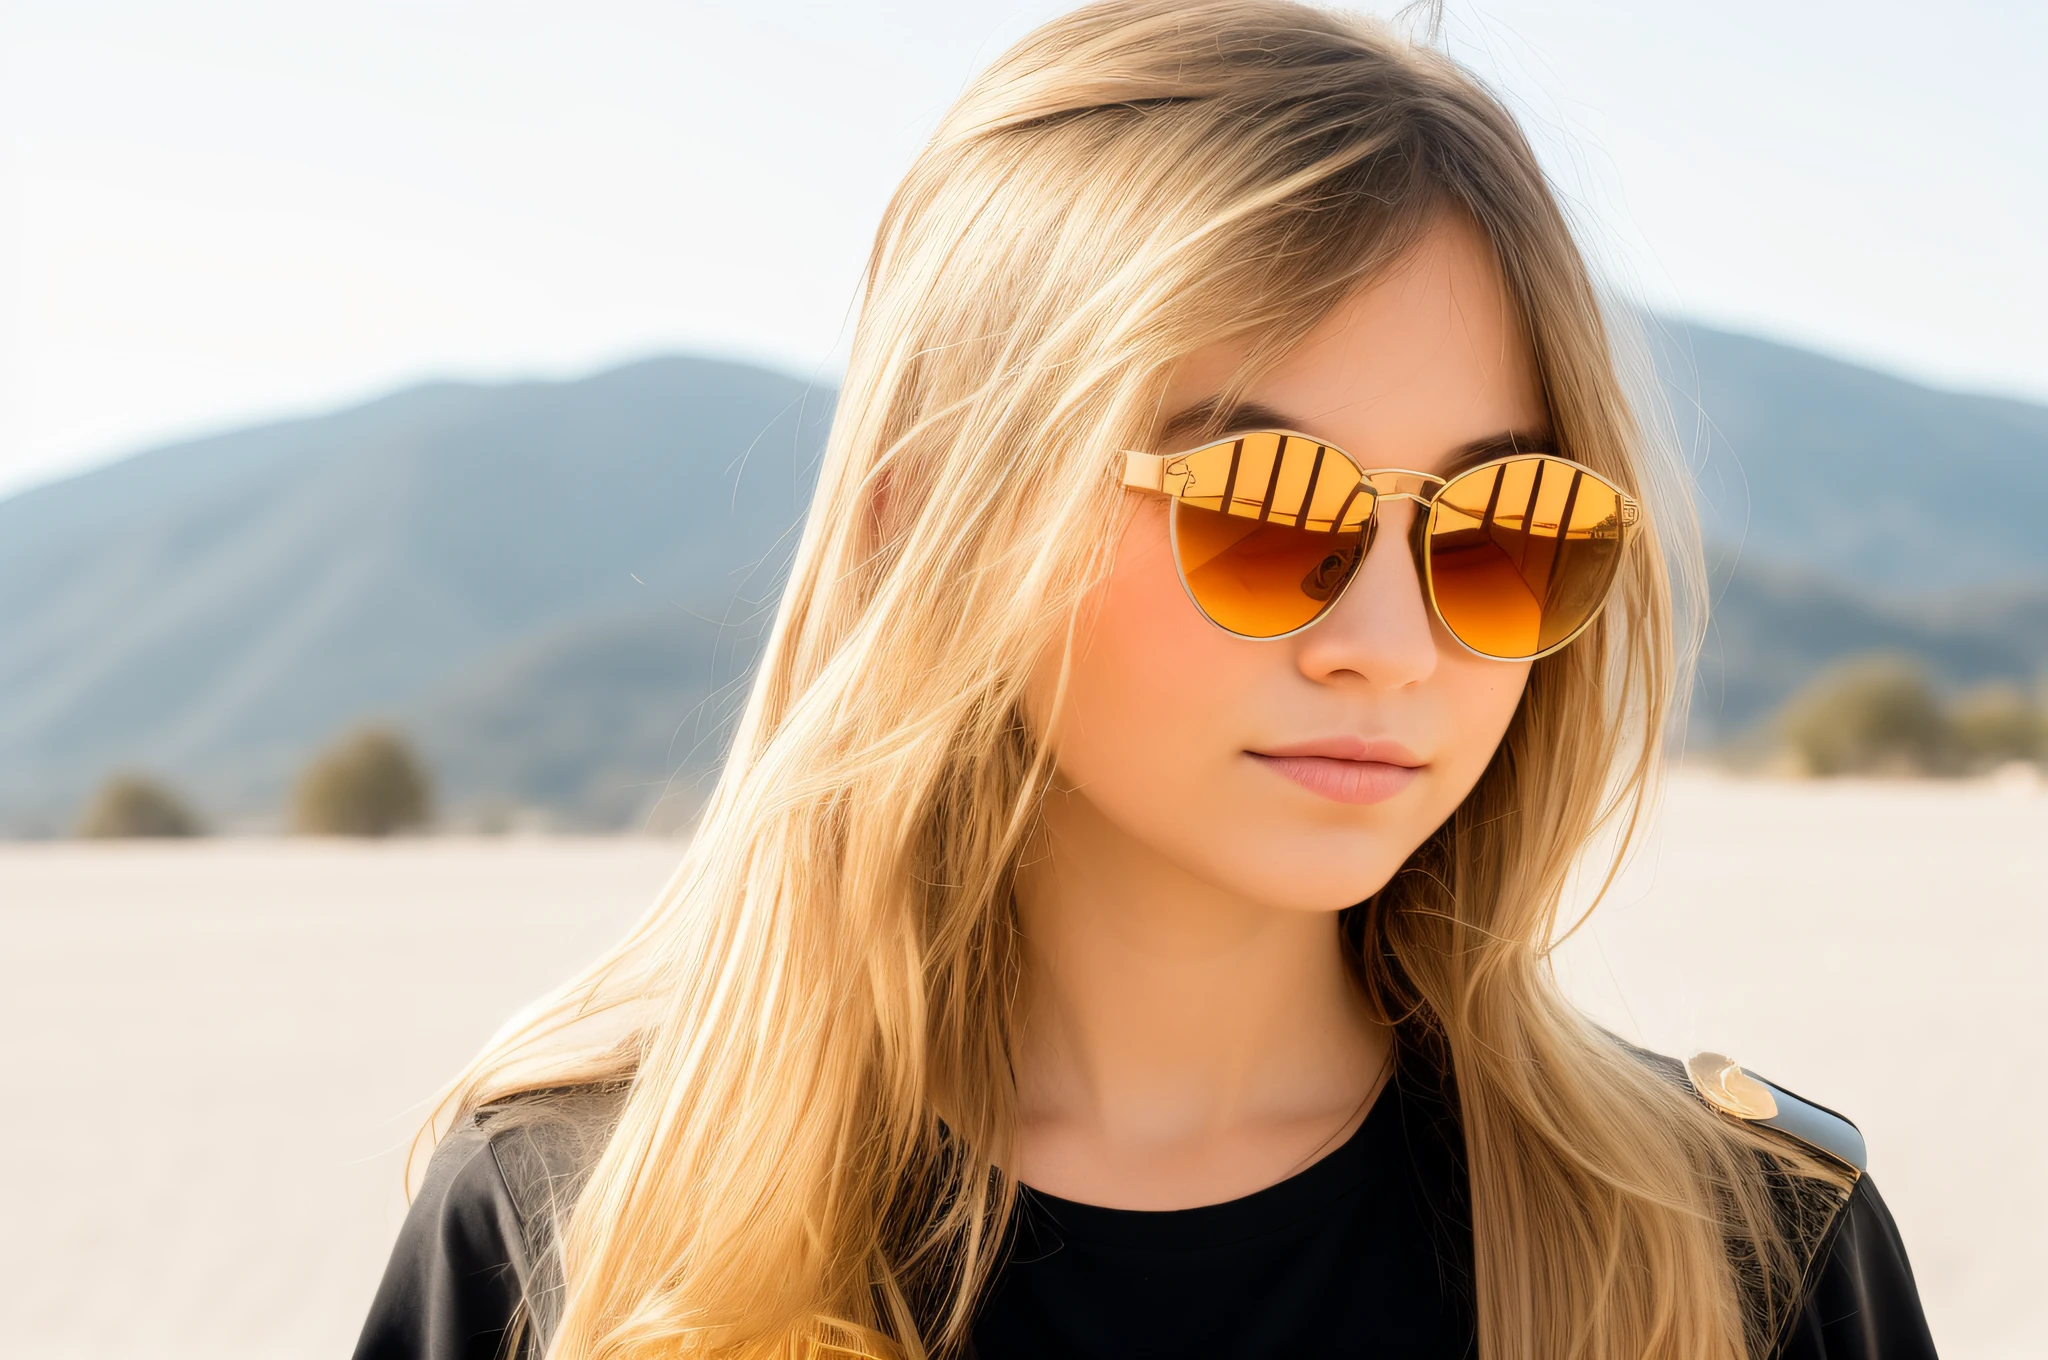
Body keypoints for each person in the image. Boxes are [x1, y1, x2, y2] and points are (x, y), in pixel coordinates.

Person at [354, 3, 1937, 1357]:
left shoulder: (1746, 1264)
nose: (1391, 640)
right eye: (1263, 505)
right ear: (937, 519)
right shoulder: (571, 1239)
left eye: (1502, 531)